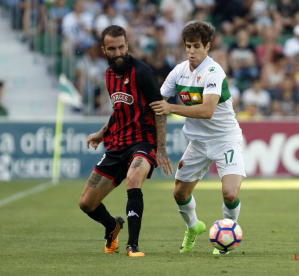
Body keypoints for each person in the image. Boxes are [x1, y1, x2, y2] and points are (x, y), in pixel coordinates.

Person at [150, 22, 246, 255]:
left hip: (226, 139)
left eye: (196, 46)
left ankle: (226, 237)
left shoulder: (214, 72)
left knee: (230, 193)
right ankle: (193, 228)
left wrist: (171, 107)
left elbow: (207, 110)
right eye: (188, 46)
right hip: (198, 143)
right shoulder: (178, 71)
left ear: (207, 47)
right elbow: (158, 105)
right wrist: (159, 146)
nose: (191, 51)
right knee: (179, 194)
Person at [78, 25, 172, 258]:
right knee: (86, 204)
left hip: (143, 142)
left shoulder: (142, 73)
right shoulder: (109, 75)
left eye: (121, 47)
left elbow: (160, 110)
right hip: (117, 144)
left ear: (127, 46)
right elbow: (119, 110)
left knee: (133, 177)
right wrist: (102, 132)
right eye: (112, 49)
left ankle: (133, 245)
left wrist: (161, 149)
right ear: (104, 50)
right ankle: (112, 226)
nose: (118, 52)